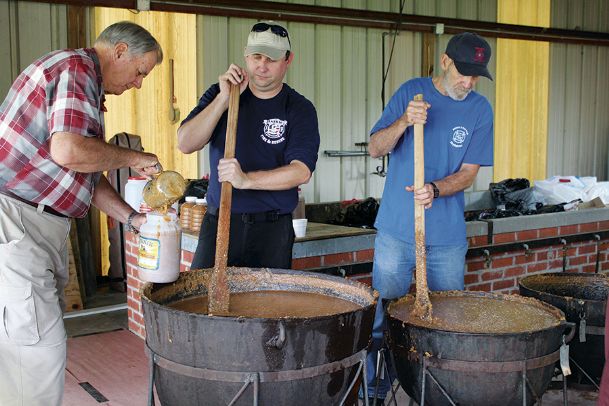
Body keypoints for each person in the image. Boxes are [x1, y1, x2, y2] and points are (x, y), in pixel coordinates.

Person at [0, 21, 163, 406]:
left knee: (22, 347)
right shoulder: (76, 70)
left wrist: (133, 219)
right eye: (141, 72)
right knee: (38, 351)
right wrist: (134, 157)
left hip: (33, 223)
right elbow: (69, 152)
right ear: (120, 51)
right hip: (18, 221)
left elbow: (81, 173)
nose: (139, 84)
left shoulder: (79, 78)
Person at [364, 32, 495, 403]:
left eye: (475, 76)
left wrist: (436, 189)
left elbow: (470, 172)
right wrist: (405, 120)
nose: (467, 82)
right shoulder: (412, 92)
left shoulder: (480, 109)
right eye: (463, 73)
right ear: (444, 61)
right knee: (383, 314)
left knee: (447, 319)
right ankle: (375, 391)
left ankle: (438, 390)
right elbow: (375, 147)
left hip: (447, 238)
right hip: (396, 231)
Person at [178, 21, 320, 270]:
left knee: (268, 307)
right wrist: (223, 99)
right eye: (256, 56)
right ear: (245, 55)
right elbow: (186, 143)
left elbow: (301, 171)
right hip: (220, 221)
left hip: (272, 231)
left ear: (288, 60)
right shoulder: (220, 94)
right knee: (204, 303)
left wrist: (246, 180)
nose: (262, 66)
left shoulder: (299, 108)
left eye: (272, 59)